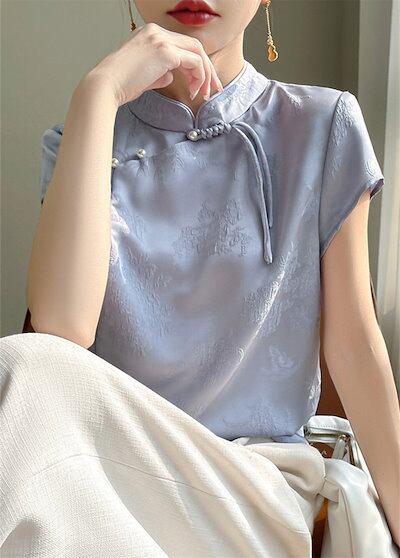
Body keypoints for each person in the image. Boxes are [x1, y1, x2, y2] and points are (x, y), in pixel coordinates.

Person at [1, 0, 399, 555]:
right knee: (22, 367)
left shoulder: (322, 124)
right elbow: (61, 331)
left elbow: (355, 345)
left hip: (255, 491)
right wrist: (100, 91)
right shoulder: (84, 137)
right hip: (112, 485)